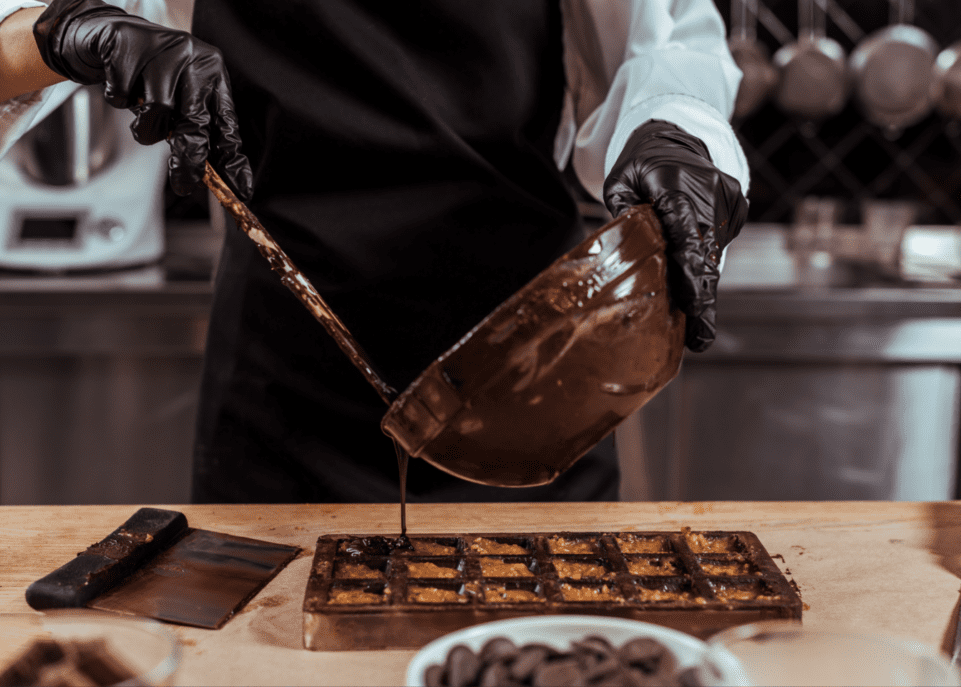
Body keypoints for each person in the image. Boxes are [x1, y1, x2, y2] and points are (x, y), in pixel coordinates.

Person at [0, 0, 749, 504]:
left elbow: (666, 38)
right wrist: (65, 30)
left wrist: (674, 135)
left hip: (539, 376)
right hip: (285, 395)